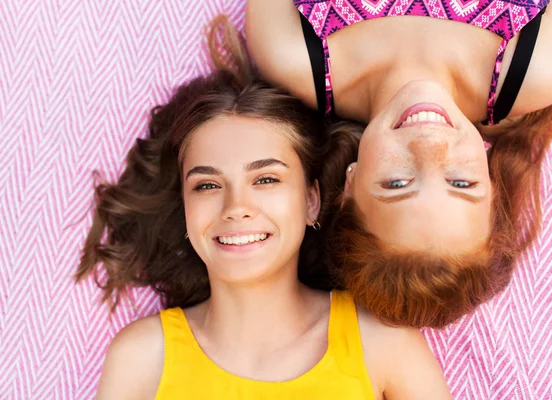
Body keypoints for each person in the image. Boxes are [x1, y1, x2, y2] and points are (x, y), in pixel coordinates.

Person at [76, 19, 452, 399]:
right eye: (207, 185)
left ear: (311, 200)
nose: (236, 207)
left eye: (266, 179)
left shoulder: (383, 343)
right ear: (185, 207)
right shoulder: (142, 360)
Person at [246, 0, 552, 327]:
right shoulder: (538, 66)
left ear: (349, 188)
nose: (431, 144)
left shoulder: (290, 53)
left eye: (397, 183)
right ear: (491, 184)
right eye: (461, 183)